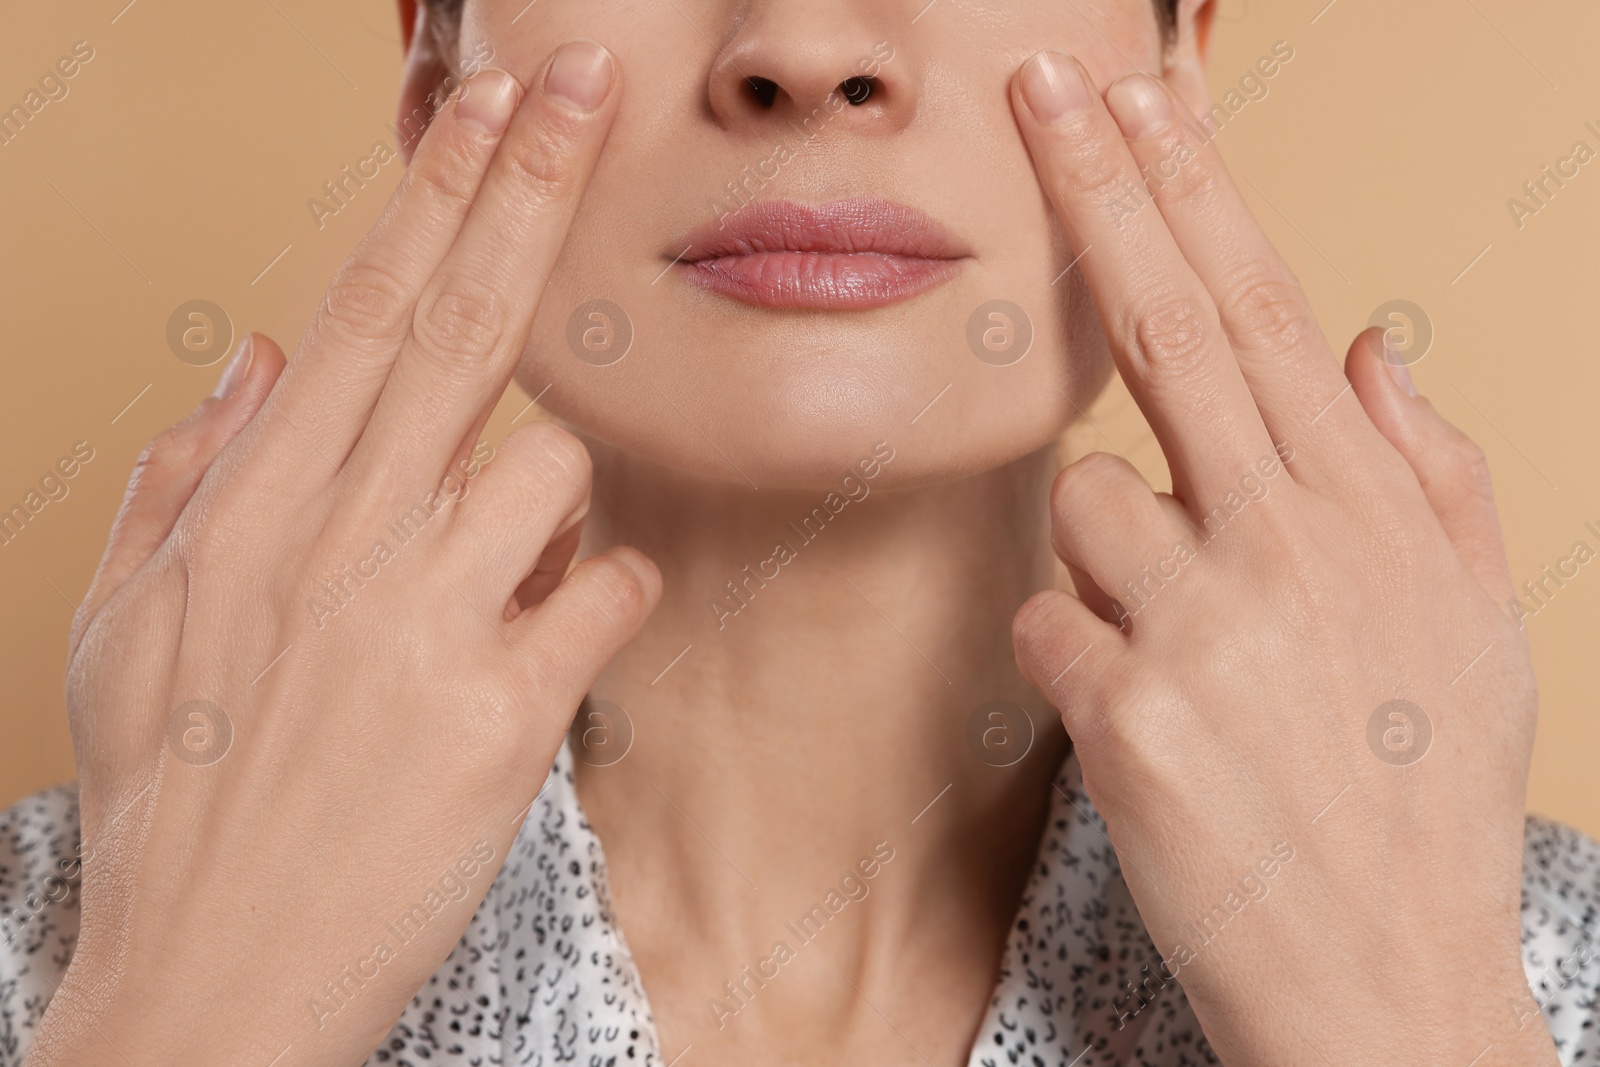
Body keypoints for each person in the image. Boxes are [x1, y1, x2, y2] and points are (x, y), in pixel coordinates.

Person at [3, 0, 1597, 1063]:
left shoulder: (1536, 973)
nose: (811, 50)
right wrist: (179, 1017)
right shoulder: (64, 956)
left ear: (1178, 63)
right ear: (435, 74)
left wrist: (1421, 1022)